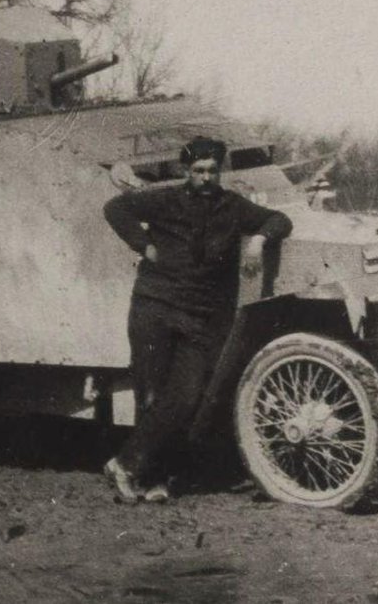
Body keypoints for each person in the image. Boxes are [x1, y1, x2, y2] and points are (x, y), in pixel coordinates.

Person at [101, 135, 293, 503]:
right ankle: (149, 480)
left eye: (212, 171)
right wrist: (144, 246)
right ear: (186, 172)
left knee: (187, 396)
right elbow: (115, 209)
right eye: (198, 171)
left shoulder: (232, 207)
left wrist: (257, 241)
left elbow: (279, 219)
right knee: (151, 395)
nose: (206, 177)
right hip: (154, 307)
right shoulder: (165, 199)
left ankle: (125, 465)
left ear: (219, 172)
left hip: (201, 317)